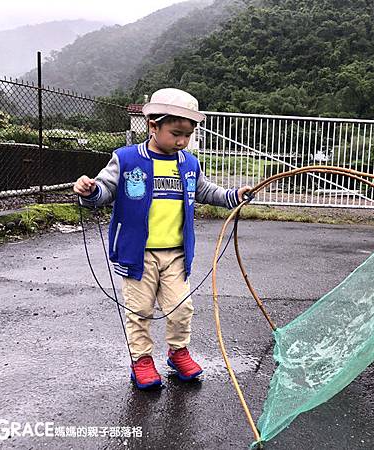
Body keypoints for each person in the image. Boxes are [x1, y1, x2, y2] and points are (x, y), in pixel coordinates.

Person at [74, 88, 251, 390]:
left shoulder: (189, 163)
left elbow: (205, 190)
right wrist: (90, 191)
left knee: (181, 308)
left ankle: (178, 352)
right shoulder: (126, 159)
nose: (182, 141)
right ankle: (141, 359)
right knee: (139, 310)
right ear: (153, 125)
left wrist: (233, 196)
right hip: (137, 253)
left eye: (188, 135)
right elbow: (104, 190)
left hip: (177, 254)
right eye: (176, 133)